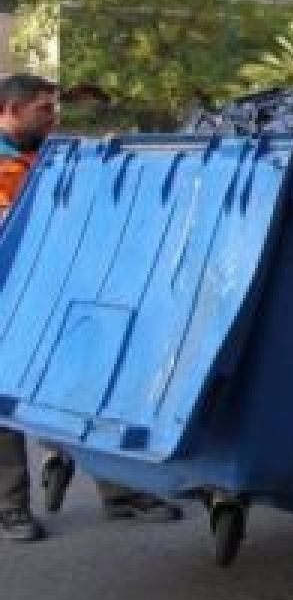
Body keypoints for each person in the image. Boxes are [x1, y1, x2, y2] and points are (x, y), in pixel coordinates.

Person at [0, 74, 181, 541]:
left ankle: (120, 492)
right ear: (11, 110)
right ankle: (10, 507)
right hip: (8, 296)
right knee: (3, 406)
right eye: (43, 109)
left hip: (58, 291)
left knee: (89, 389)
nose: (53, 117)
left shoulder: (55, 156)